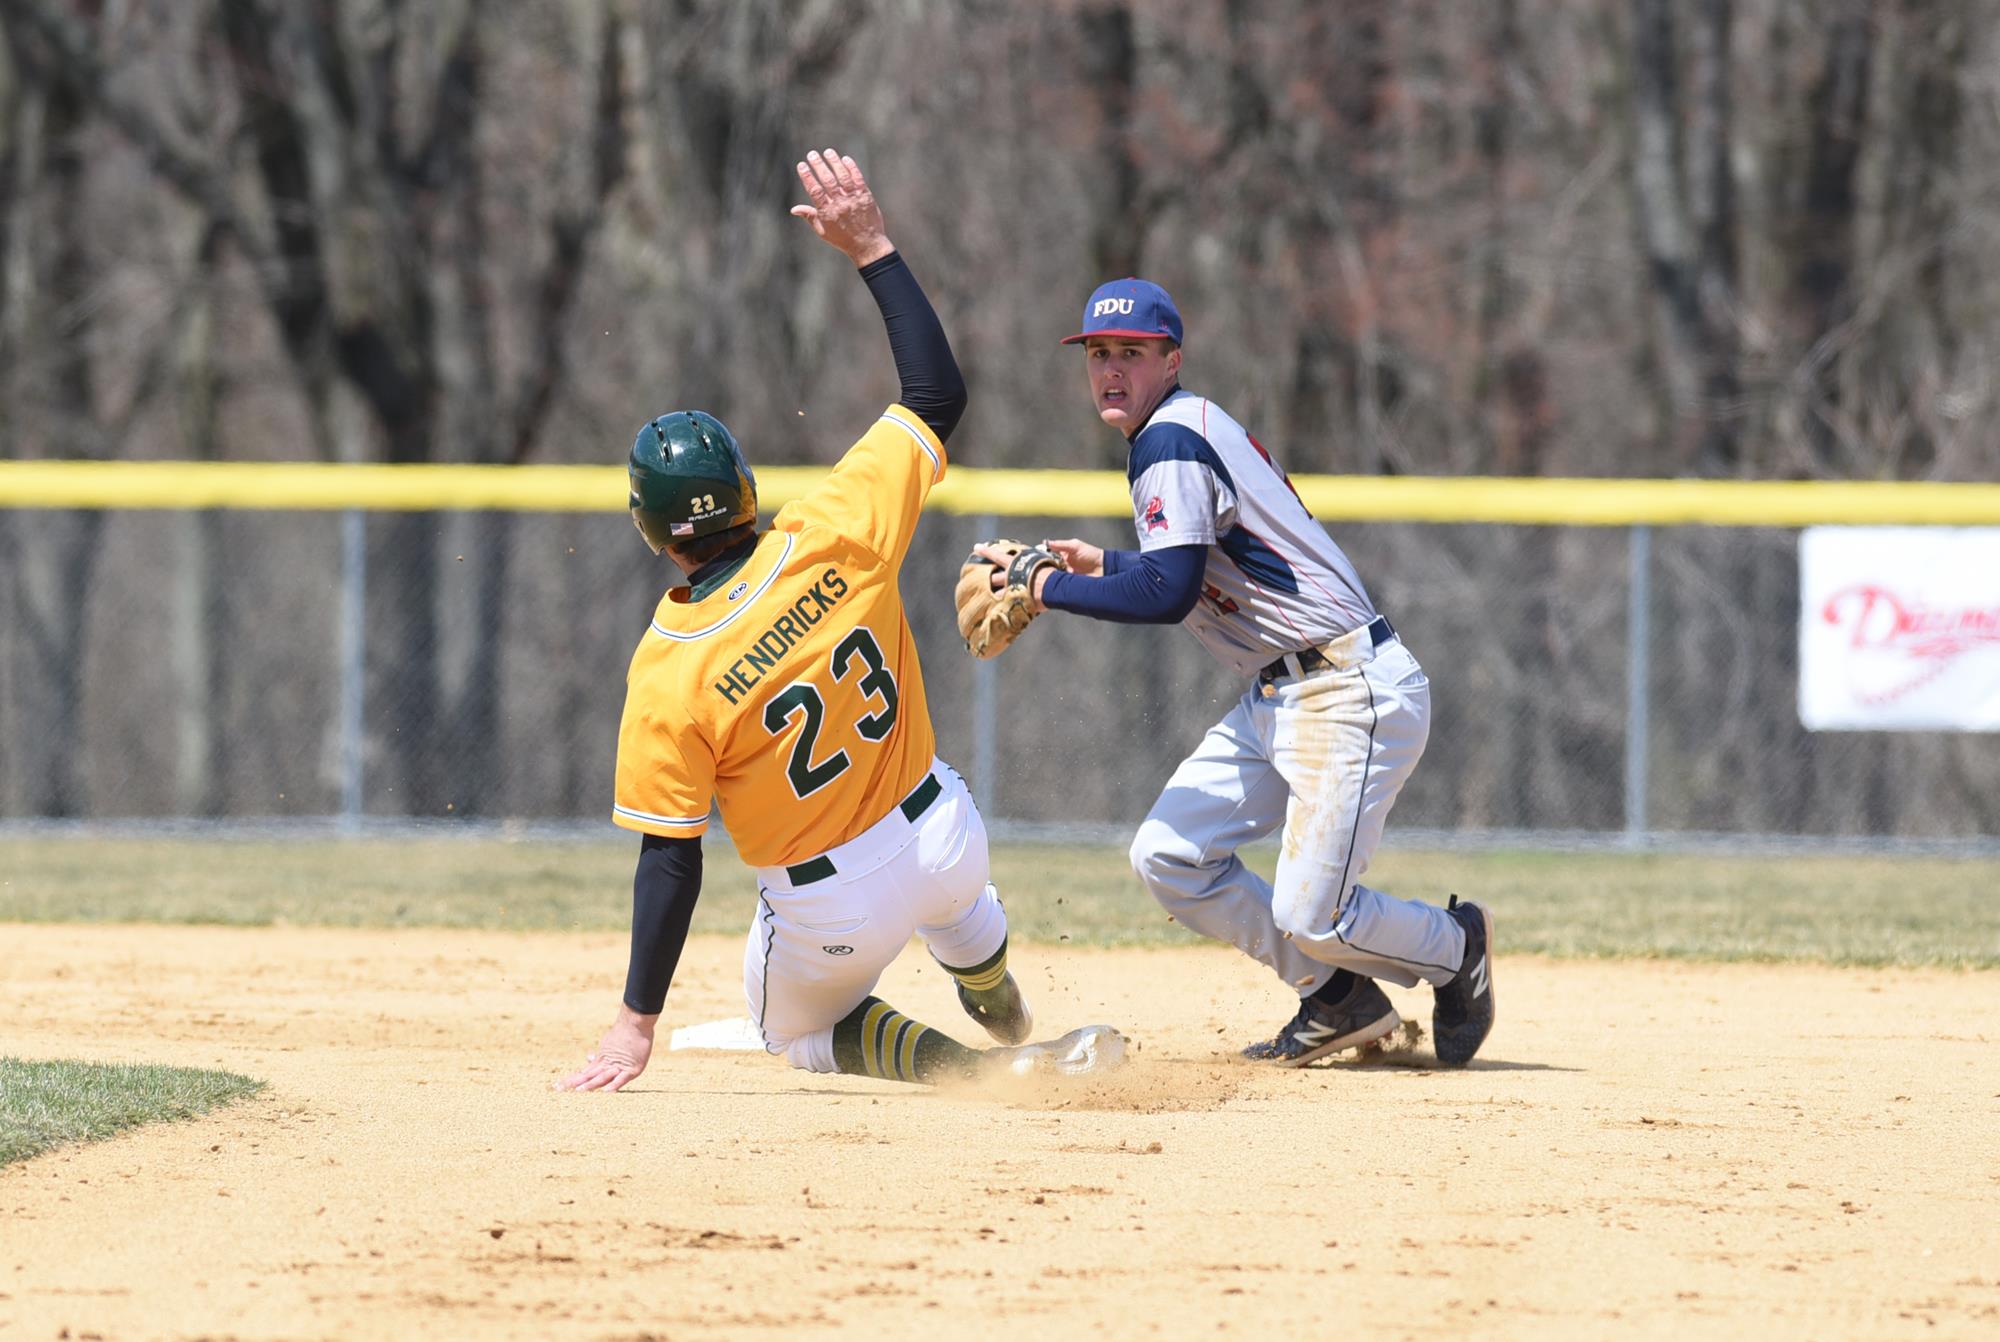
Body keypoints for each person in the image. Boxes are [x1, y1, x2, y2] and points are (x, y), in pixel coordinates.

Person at [559, 149, 1124, 1092]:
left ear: (651, 531)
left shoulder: (669, 667)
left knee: (787, 1030)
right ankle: (990, 982)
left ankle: (991, 1069)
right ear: (745, 489)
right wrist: (872, 248)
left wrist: (633, 1025)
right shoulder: (831, 530)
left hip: (832, 906)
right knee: (960, 902)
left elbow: (670, 862)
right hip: (945, 834)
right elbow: (936, 396)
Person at [979, 277, 1495, 1068]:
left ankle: (1457, 947)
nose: (1111, 369)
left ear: (1171, 360)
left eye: (1132, 353)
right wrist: (1104, 565)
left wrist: (1048, 588)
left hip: (1343, 689)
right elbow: (1201, 567)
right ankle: (1338, 998)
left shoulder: (1168, 439)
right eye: (1099, 353)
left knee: (1312, 914)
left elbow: (1169, 592)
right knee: (1170, 856)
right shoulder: (1178, 428)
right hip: (1281, 691)